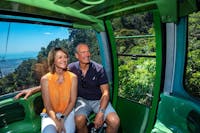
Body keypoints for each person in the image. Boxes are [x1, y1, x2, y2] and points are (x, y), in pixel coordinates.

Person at [15, 43, 120, 133]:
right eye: (83, 52)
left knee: (114, 121)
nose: (87, 54)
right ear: (76, 55)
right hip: (81, 100)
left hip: (98, 100)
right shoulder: (71, 68)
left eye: (88, 51)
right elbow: (53, 78)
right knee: (79, 120)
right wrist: (34, 89)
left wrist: (101, 112)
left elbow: (105, 93)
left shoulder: (98, 69)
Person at [40, 47, 77, 133]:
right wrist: (57, 122)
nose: (64, 60)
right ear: (53, 60)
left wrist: (63, 119)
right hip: (50, 115)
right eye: (60, 57)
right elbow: (48, 106)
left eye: (65, 57)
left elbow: (72, 101)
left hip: (67, 113)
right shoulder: (45, 79)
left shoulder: (73, 77)